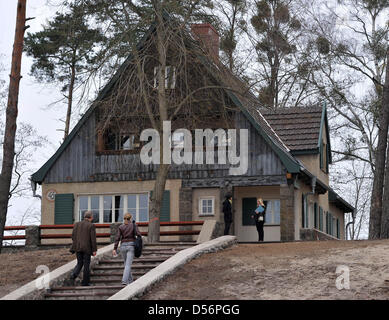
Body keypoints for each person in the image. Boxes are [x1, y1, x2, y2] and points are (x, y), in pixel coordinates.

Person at [113, 213, 142, 286]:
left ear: (124, 218)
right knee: (128, 265)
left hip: (123, 246)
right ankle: (124, 281)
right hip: (131, 246)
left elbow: (117, 238)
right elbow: (138, 234)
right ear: (130, 218)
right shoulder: (133, 225)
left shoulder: (121, 227)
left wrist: (115, 248)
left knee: (126, 264)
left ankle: (131, 281)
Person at [69, 211, 97, 286]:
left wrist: (76, 244)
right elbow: (93, 239)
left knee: (79, 263)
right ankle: (85, 282)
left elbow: (73, 236)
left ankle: (73, 275)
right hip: (87, 248)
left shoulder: (77, 224)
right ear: (90, 217)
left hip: (77, 247)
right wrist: (94, 250)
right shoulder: (91, 225)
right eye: (92, 216)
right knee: (86, 265)